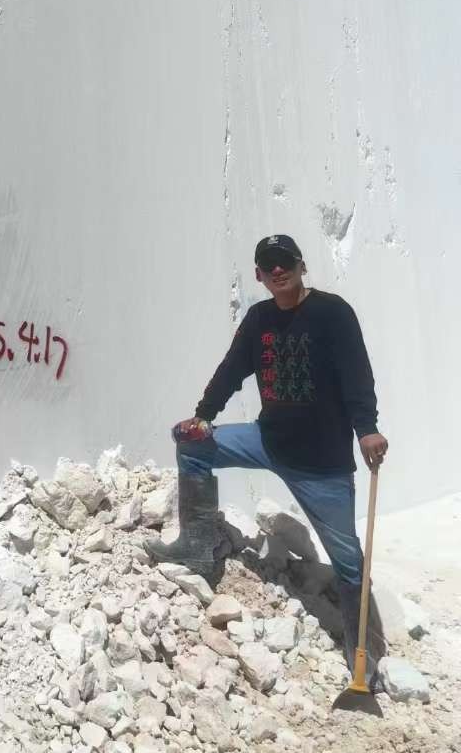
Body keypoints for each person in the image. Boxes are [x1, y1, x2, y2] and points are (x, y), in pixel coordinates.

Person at [147, 233, 388, 682]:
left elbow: (358, 375)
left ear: (301, 266)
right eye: (268, 264)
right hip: (268, 440)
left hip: (322, 464)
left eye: (285, 262)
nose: (278, 270)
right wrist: (203, 416)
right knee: (193, 446)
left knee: (349, 562)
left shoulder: (333, 312)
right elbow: (231, 369)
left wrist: (367, 428)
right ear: (258, 274)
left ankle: (364, 654)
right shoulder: (259, 318)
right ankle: (196, 552)